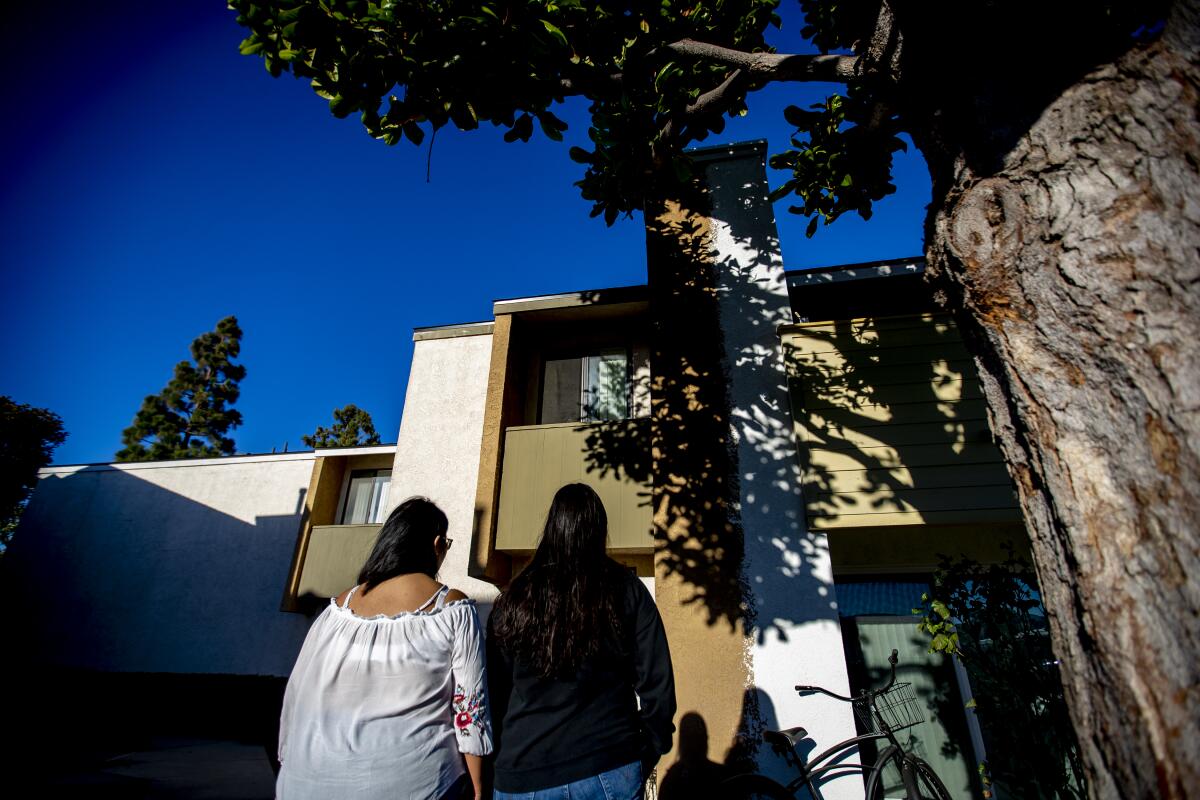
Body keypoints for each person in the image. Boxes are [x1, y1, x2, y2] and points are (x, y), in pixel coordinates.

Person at [276, 497, 491, 800]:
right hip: (416, 782)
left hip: (304, 780)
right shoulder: (452, 607)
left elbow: (296, 694)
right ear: (436, 543)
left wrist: (288, 758)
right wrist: (479, 787)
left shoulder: (338, 608)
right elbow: (470, 709)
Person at [488, 483, 676, 800]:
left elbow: (494, 690)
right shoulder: (626, 588)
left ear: (551, 528)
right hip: (609, 763)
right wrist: (649, 749)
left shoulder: (515, 598)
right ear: (600, 530)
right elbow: (657, 682)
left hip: (525, 770)